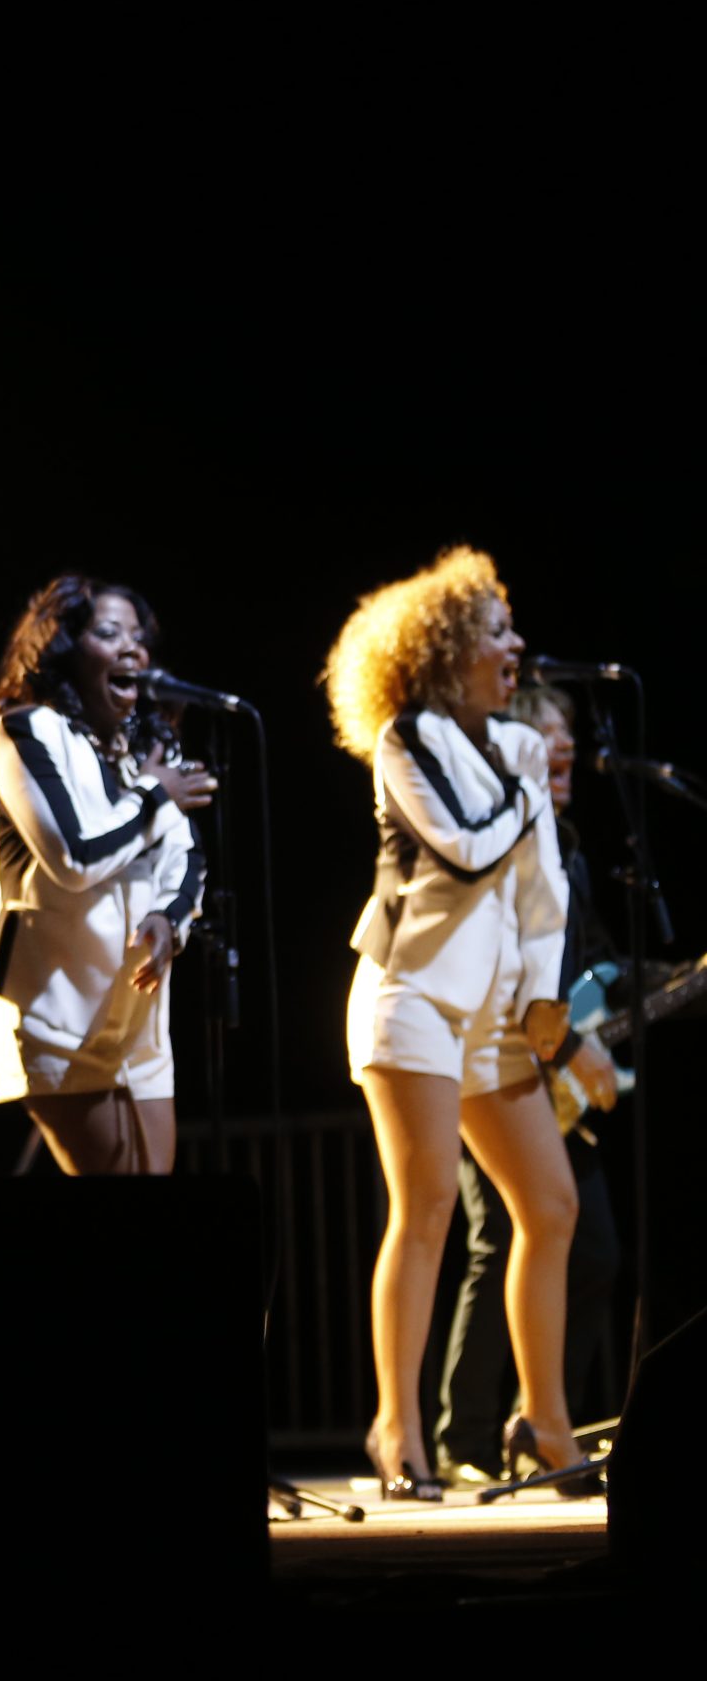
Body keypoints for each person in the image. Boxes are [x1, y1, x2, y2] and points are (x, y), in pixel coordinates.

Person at [323, 546, 588, 1499]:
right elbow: (468, 850)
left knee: (551, 1206)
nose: (516, 646)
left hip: (494, 1011)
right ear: (444, 649)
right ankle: (397, 1429)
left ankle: (544, 1421)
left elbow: (544, 891)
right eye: (496, 631)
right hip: (414, 996)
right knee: (429, 1205)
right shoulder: (407, 738)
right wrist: (526, 796)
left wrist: (545, 1000)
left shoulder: (517, 747)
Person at [434, 682, 623, 1481]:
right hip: (492, 1047)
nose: (564, 744)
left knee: (585, 1242)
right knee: (498, 1237)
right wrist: (567, 1042)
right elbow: (500, 951)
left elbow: (591, 961)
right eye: (546, 731)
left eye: (567, 731)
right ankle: (462, 1436)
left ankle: (541, 1419)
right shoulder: (499, 829)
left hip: (545, 1058)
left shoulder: (567, 846)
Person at [0, 575, 213, 1175]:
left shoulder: (141, 750)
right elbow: (76, 856)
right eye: (108, 633)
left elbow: (187, 856)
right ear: (64, 649)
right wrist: (156, 796)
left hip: (136, 1017)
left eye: (139, 638)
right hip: (54, 1015)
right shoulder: (25, 730)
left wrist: (168, 920)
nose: (133, 649)